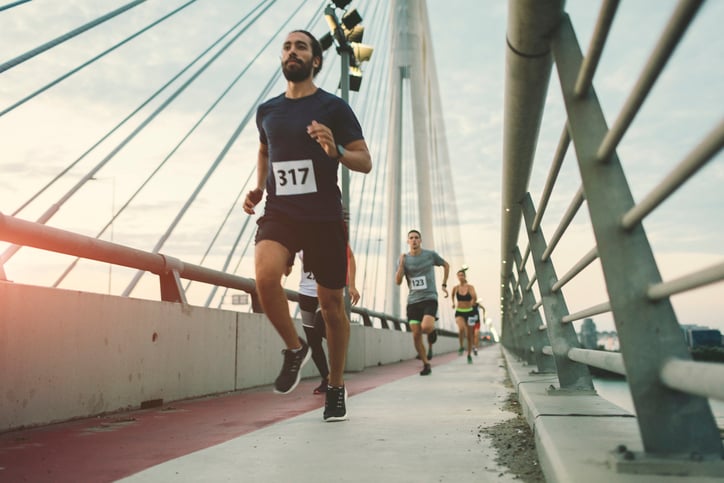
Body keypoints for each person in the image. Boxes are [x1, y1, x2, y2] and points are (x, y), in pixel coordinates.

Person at [243, 30, 371, 422]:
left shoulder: (333, 108)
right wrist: (260, 187)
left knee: (333, 307)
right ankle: (294, 347)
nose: (292, 51)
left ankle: (335, 386)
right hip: (281, 212)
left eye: (301, 46)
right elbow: (265, 148)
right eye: (286, 46)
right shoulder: (267, 110)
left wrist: (337, 149)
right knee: (265, 276)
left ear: (316, 60)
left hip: (323, 216)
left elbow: (364, 160)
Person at [294, 247, 360, 395]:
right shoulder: (299, 233)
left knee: (320, 325)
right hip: (305, 292)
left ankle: (336, 374)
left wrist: (352, 285)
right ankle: (327, 378)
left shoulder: (329, 227)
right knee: (312, 339)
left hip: (327, 291)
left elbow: (349, 257)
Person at [395, 229, 450, 375]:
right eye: (411, 238)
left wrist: (444, 284)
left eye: (416, 238)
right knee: (416, 335)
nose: (414, 240)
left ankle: (432, 330)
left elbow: (446, 265)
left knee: (426, 327)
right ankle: (426, 364)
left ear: (420, 240)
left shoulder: (430, 255)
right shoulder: (403, 259)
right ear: (408, 241)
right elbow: (398, 281)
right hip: (413, 302)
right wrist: (401, 264)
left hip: (429, 298)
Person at [451, 268, 478, 363]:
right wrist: (453, 303)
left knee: (470, 335)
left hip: (470, 312)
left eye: (462, 275)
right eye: (459, 275)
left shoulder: (470, 287)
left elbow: (475, 297)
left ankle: (469, 355)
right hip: (459, 311)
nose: (460, 277)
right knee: (461, 328)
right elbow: (452, 295)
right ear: (457, 277)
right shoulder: (455, 288)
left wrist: (472, 301)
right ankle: (461, 346)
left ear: (465, 276)